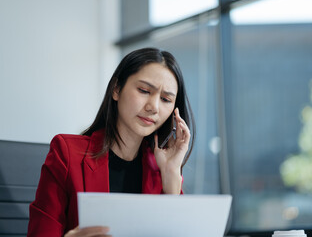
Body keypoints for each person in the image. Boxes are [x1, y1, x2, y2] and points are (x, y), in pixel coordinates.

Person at [27, 47, 196, 237]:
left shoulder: (161, 171)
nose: (153, 107)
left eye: (165, 99)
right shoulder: (66, 153)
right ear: (116, 89)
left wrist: (172, 175)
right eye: (144, 90)